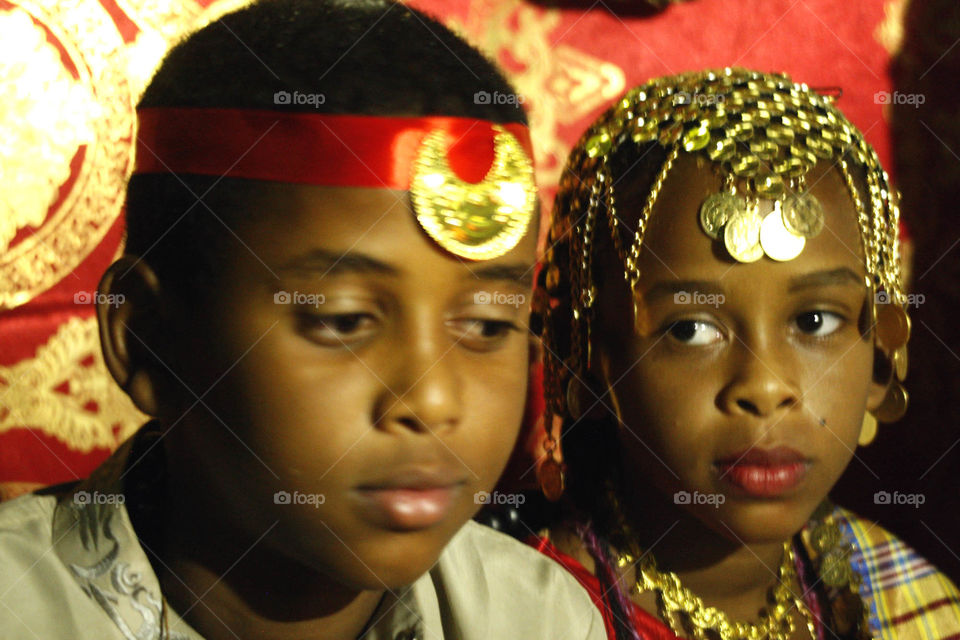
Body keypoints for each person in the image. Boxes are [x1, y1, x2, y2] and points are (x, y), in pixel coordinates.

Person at [0, 1, 607, 638]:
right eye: (344, 321)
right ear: (148, 339)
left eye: (486, 325)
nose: (430, 398)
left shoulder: (535, 617)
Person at [530, 68, 960, 640]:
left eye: (815, 321)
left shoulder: (913, 604)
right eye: (689, 330)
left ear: (882, 355)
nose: (765, 386)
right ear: (586, 355)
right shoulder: (524, 614)